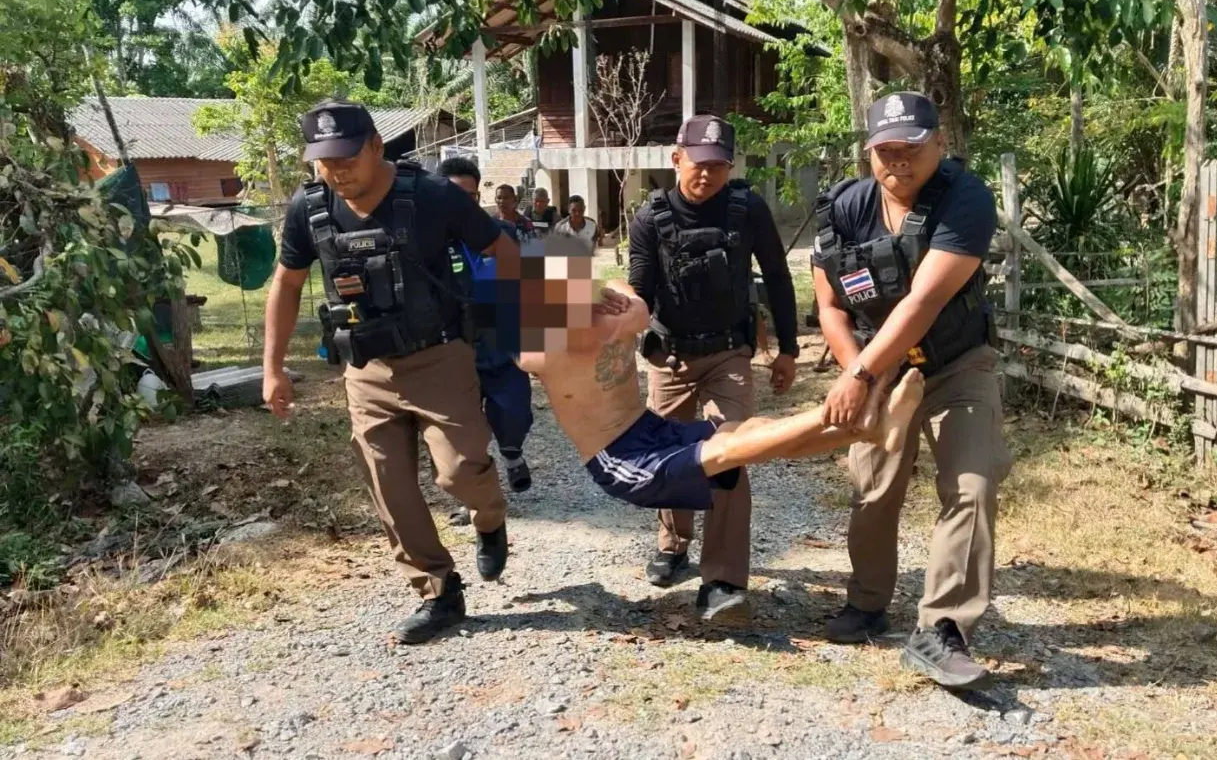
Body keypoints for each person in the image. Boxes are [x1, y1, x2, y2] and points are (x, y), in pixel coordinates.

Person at [262, 100, 517, 645]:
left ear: (376, 146)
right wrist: (273, 368)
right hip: (366, 368)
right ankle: (438, 591)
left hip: (440, 357)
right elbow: (286, 283)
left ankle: (489, 518)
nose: (337, 170)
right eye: (325, 160)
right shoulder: (309, 208)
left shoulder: (433, 195)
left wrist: (521, 324)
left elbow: (502, 248)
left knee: (460, 473)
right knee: (389, 487)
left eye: (347, 157)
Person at [811, 92, 1013, 690]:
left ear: (940, 144)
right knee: (874, 488)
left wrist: (860, 375)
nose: (898, 160)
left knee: (972, 485)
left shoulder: (965, 198)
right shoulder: (845, 208)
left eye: (912, 148)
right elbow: (830, 307)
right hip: (879, 366)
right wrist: (862, 374)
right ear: (869, 151)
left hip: (957, 363)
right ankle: (868, 600)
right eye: (886, 149)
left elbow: (923, 302)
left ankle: (942, 629)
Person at [513, 236, 924, 515]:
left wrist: (627, 309)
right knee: (728, 448)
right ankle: (842, 414)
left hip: (649, 427)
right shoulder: (547, 344)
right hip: (620, 459)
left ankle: (868, 430)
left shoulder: (612, 305)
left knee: (751, 433)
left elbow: (625, 290)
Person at [627, 113, 800, 621]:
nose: (707, 174)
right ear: (676, 158)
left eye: (719, 165)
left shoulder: (748, 209)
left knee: (728, 455)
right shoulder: (650, 217)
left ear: (730, 166)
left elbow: (777, 277)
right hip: (671, 355)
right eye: (698, 163)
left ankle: (723, 579)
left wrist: (788, 349)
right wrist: (624, 331)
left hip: (729, 352)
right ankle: (673, 543)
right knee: (670, 455)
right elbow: (640, 289)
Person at [438, 157, 535, 500]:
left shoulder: (502, 234)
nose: (464, 204)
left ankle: (511, 453)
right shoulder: (427, 241)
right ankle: (474, 499)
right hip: (452, 349)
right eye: (454, 196)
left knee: (514, 414)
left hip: (499, 342)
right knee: (461, 430)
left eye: (471, 196)